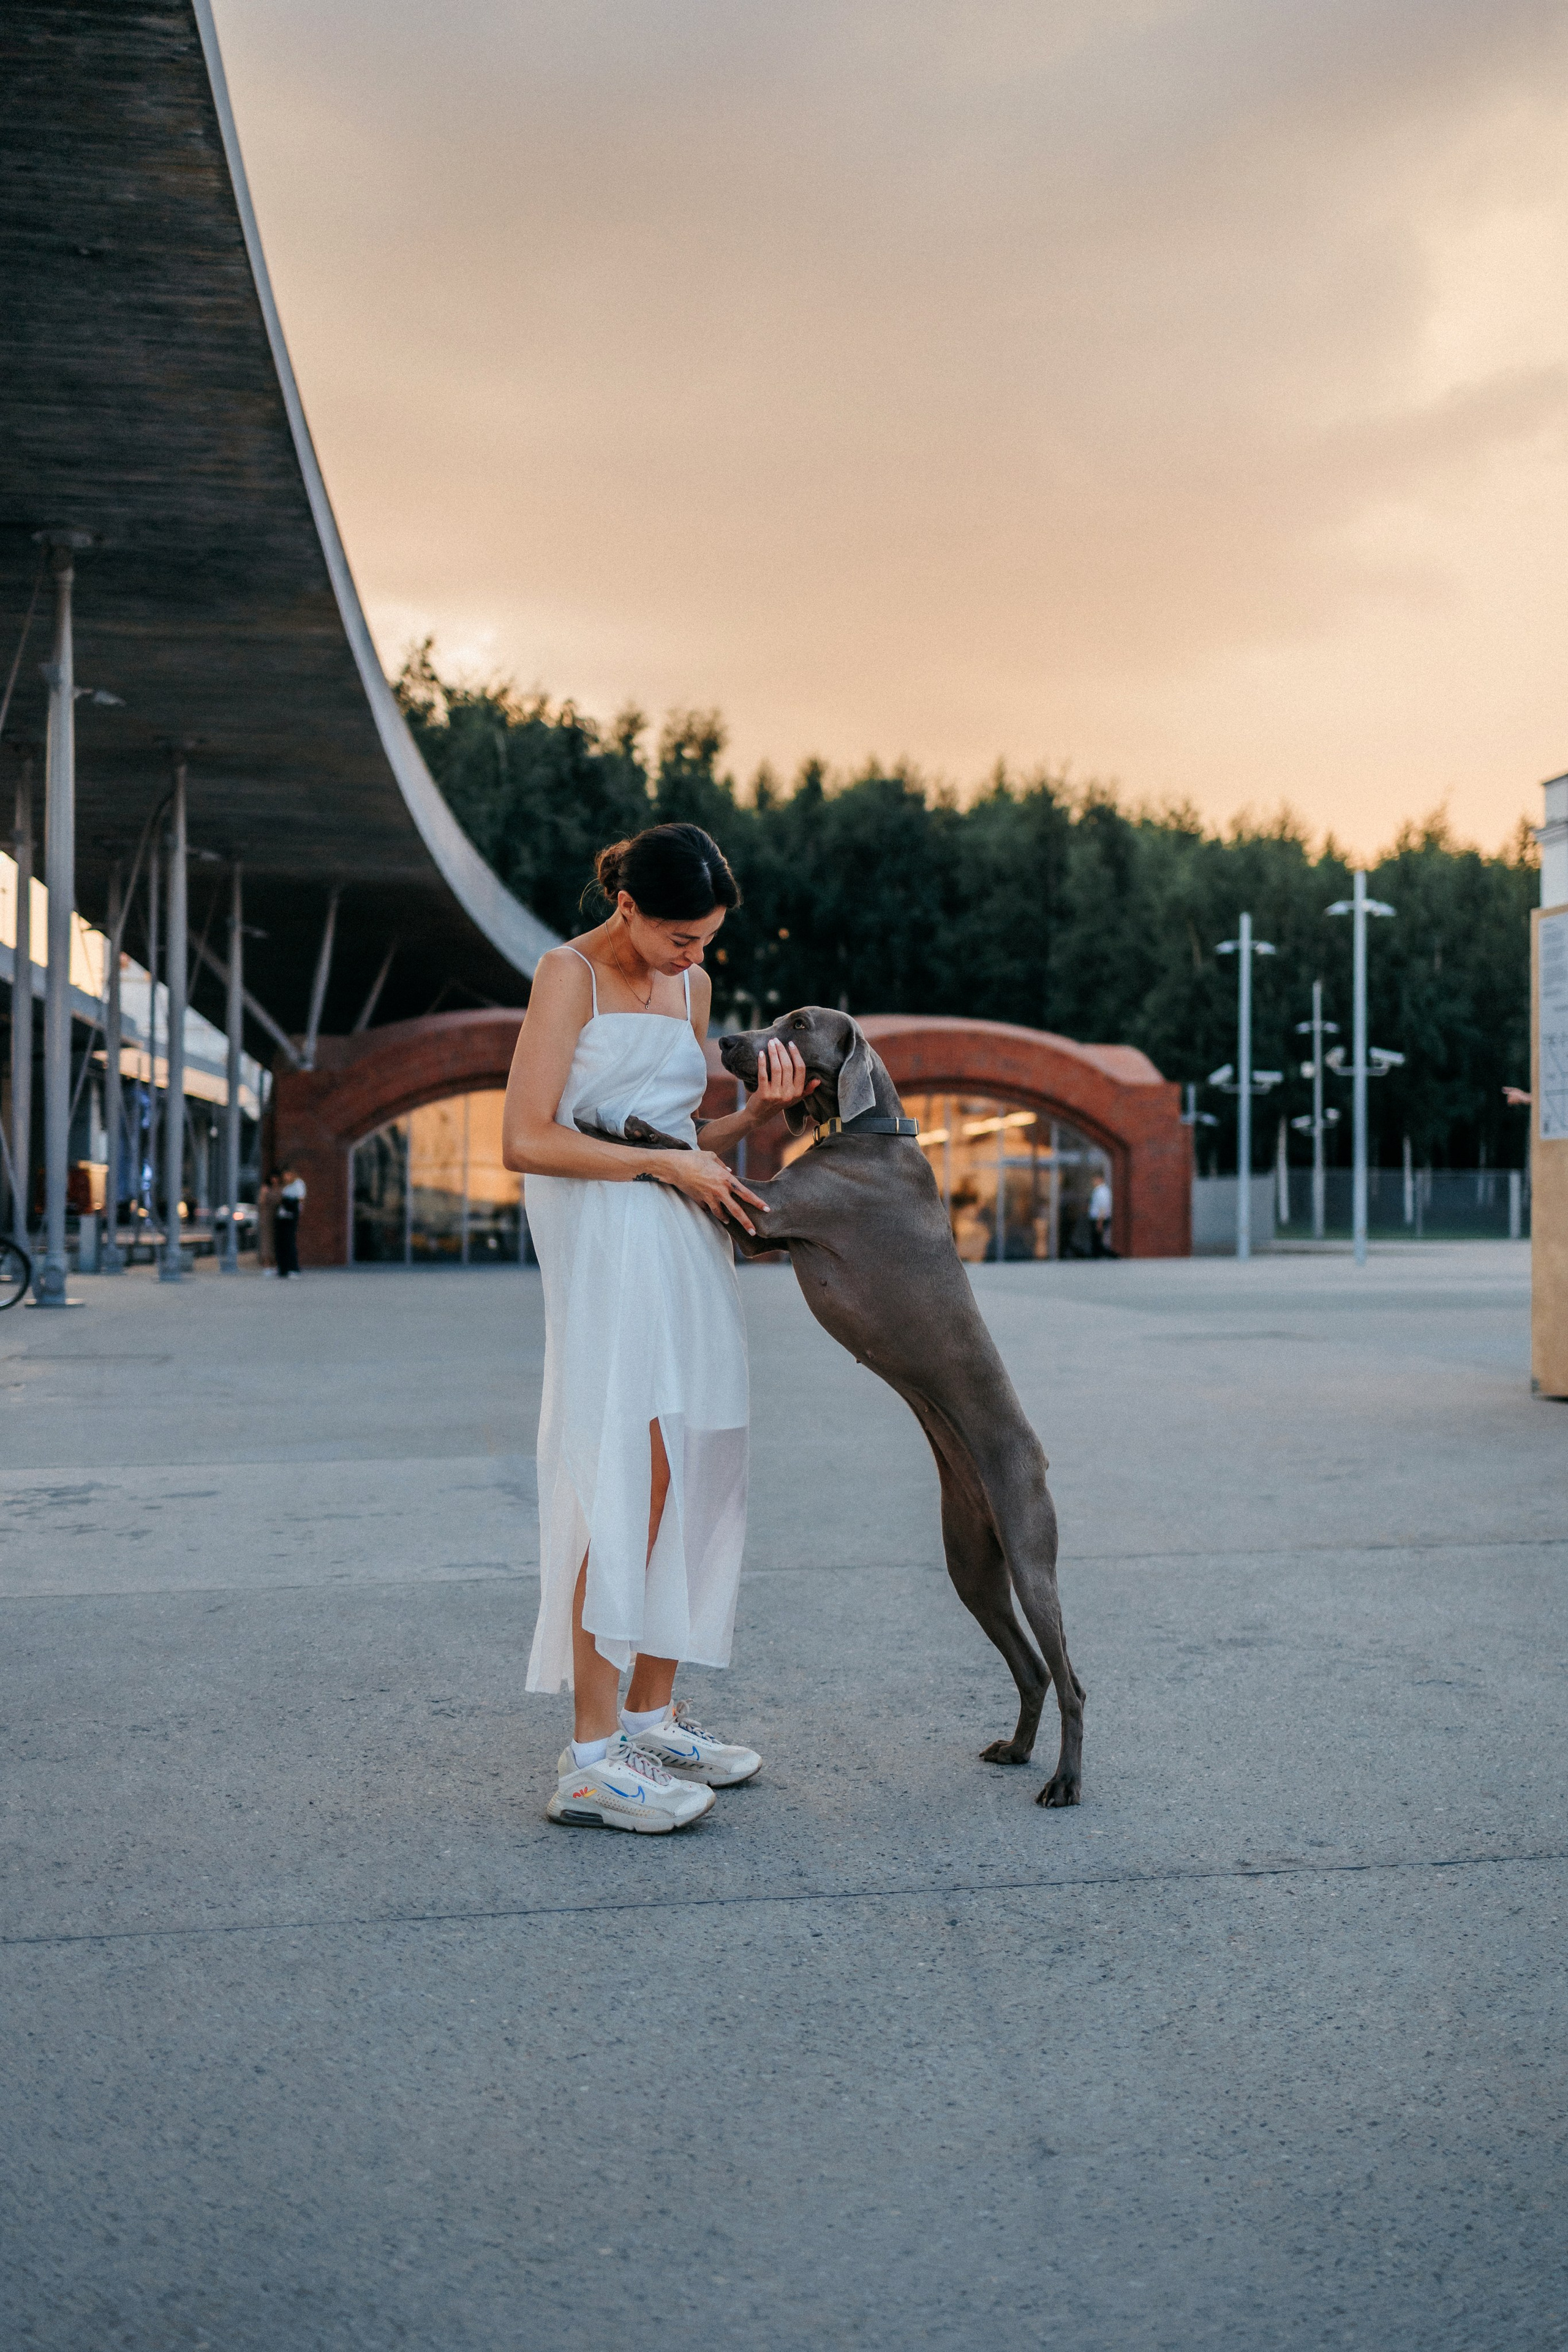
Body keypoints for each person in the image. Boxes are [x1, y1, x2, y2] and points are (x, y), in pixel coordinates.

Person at [502, 821, 815, 1833]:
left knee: (694, 1467)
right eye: (680, 937)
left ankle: (650, 1716)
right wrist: (666, 1164)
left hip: (684, 1237)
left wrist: (751, 1122)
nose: (694, 957)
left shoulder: (692, 988)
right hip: (605, 1238)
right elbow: (526, 1138)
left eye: (707, 940)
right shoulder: (569, 975)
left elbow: (683, 1137)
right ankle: (592, 1760)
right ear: (627, 906)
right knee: (624, 1483)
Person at [273, 1164, 305, 1278]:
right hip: (283, 1216)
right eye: (285, 1175)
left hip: (291, 1215)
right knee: (281, 1242)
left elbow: (300, 1199)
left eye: (288, 1175)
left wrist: (288, 1201)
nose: (286, 1177)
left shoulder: (298, 1184)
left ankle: (293, 1268)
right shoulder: (286, 1186)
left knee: (289, 1242)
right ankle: (283, 1268)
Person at [1088, 1170, 1117, 1258]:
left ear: (1099, 1179)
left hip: (1100, 1219)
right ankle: (1097, 1256)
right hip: (1098, 1218)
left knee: (1097, 1240)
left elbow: (1103, 1207)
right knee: (1096, 1240)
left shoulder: (1102, 1191)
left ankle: (1112, 1256)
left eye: (1094, 1180)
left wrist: (1100, 1222)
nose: (1093, 1182)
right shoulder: (1098, 1190)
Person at [257, 1169, 281, 1275]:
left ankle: (275, 1264)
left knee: (276, 1241)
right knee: (266, 1242)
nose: (274, 1180)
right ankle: (267, 1265)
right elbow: (261, 1202)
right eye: (273, 1178)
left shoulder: (281, 1189)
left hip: (277, 1218)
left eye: (276, 1178)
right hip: (267, 1218)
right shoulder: (266, 1188)